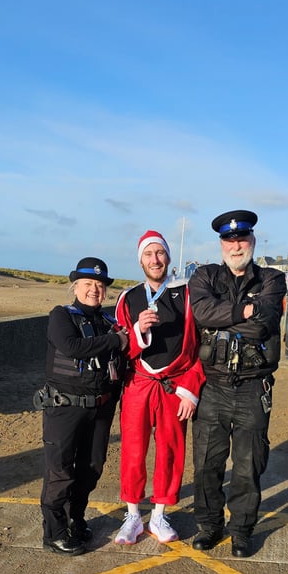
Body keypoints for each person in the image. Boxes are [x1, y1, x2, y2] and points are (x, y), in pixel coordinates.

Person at [188, 210, 287, 558]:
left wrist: (224, 317)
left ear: (253, 241)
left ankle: (242, 530)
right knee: (207, 464)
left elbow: (263, 326)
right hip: (211, 386)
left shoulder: (273, 279)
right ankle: (209, 525)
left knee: (248, 464)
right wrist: (244, 310)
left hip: (252, 386)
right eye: (230, 240)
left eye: (242, 239)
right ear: (221, 244)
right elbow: (201, 313)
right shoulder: (204, 276)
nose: (236, 245)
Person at [114, 230, 205, 545]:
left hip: (173, 385)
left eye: (160, 253)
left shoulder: (189, 294)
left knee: (170, 450)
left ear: (168, 257)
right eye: (148, 254)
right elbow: (121, 347)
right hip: (139, 382)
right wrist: (138, 329)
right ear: (140, 260)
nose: (155, 260)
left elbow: (199, 348)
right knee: (133, 450)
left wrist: (190, 389)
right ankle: (133, 515)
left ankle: (159, 515)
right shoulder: (128, 298)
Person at [36, 257, 128, 555]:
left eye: (100, 285)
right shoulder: (61, 316)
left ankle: (77, 518)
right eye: (88, 284)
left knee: (91, 468)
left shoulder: (109, 322)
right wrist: (116, 340)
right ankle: (54, 532)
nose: (94, 290)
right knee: (60, 470)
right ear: (75, 286)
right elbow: (72, 347)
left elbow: (122, 361)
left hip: (100, 409)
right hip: (65, 408)